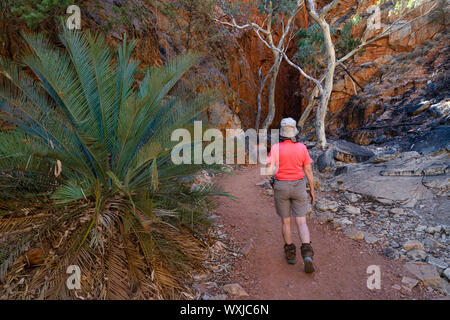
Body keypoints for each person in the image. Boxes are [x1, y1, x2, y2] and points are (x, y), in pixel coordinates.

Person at [266, 117, 316, 273]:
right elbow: (308, 170)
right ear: (294, 132)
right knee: (301, 222)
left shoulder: (275, 148)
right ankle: (307, 254)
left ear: (282, 132)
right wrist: (312, 190)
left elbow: (268, 170)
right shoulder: (302, 148)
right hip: (299, 186)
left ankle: (291, 255)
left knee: (286, 223)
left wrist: (273, 181)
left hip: (281, 186)